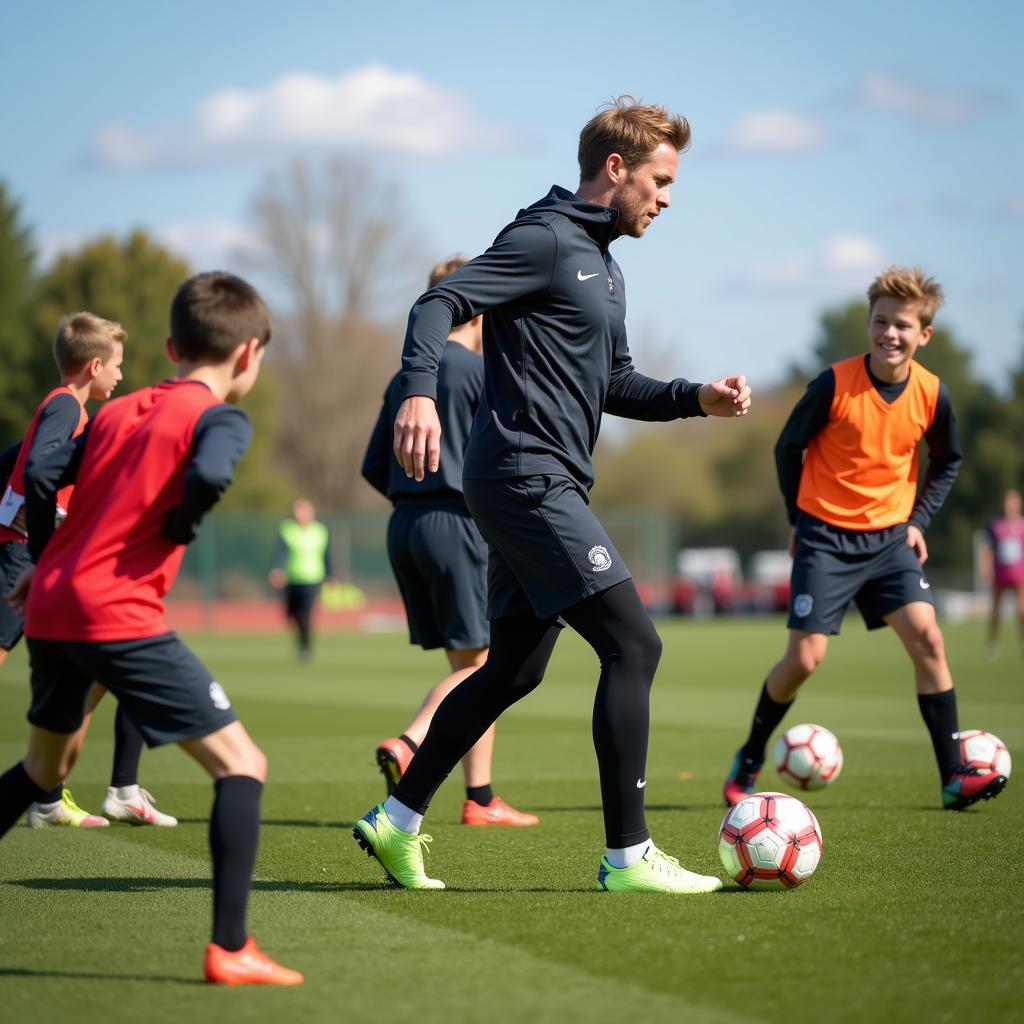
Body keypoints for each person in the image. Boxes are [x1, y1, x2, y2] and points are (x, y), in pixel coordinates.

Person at [352, 96, 751, 894]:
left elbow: (615, 383)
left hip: (539, 481)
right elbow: (440, 302)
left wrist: (694, 397)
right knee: (635, 645)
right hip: (524, 477)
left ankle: (396, 821)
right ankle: (629, 857)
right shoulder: (541, 237)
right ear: (616, 169)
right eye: (660, 180)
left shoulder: (607, 266)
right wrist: (419, 394)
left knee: (511, 671)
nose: (668, 198)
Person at [0, 272, 302, 985]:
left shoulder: (113, 409)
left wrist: (43, 560)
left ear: (170, 345)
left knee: (45, 770)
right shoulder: (220, 417)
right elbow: (211, 475)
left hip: (51, 606)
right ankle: (231, 949)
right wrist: (180, 523)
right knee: (243, 766)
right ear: (250, 354)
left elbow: (42, 474)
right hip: (113, 612)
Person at [722, 266, 1007, 812]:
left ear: (924, 334)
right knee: (805, 660)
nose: (889, 334)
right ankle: (751, 757)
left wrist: (918, 522)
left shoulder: (932, 394)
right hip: (825, 538)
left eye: (902, 325)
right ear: (868, 323)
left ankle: (953, 777)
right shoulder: (833, 383)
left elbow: (948, 461)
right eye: (880, 321)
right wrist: (798, 521)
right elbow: (788, 449)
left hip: (889, 542)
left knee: (928, 639)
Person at [362, 255, 539, 827]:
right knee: (489, 664)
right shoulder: (479, 372)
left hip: (406, 524)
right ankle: (414, 739)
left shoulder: (404, 380)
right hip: (460, 524)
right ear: (481, 310)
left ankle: (480, 797)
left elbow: (372, 465)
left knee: (472, 659)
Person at [0, 312, 175, 828]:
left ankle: (52, 798)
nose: (120, 376)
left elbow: (15, 460)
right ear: (94, 364)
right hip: (23, 556)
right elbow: (36, 471)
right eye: (116, 366)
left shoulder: (66, 411)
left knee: (96, 668)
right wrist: (47, 533)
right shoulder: (64, 407)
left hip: (37, 555)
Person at [269, 497, 333, 660]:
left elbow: (326, 555)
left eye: (302, 510)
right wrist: (278, 570)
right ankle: (301, 638)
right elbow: (280, 552)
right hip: (292, 578)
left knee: (306, 613)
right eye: (297, 510)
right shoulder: (287, 529)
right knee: (291, 614)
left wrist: (330, 575)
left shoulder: (320, 531)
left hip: (312, 578)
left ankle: (305, 646)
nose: (299, 514)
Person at [982, 488, 1024, 656]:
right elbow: (988, 549)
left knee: (1021, 611)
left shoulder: (1022, 525)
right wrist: (985, 569)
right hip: (1000, 574)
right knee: (996, 611)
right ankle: (992, 643)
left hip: (1019, 575)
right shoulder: (995, 525)